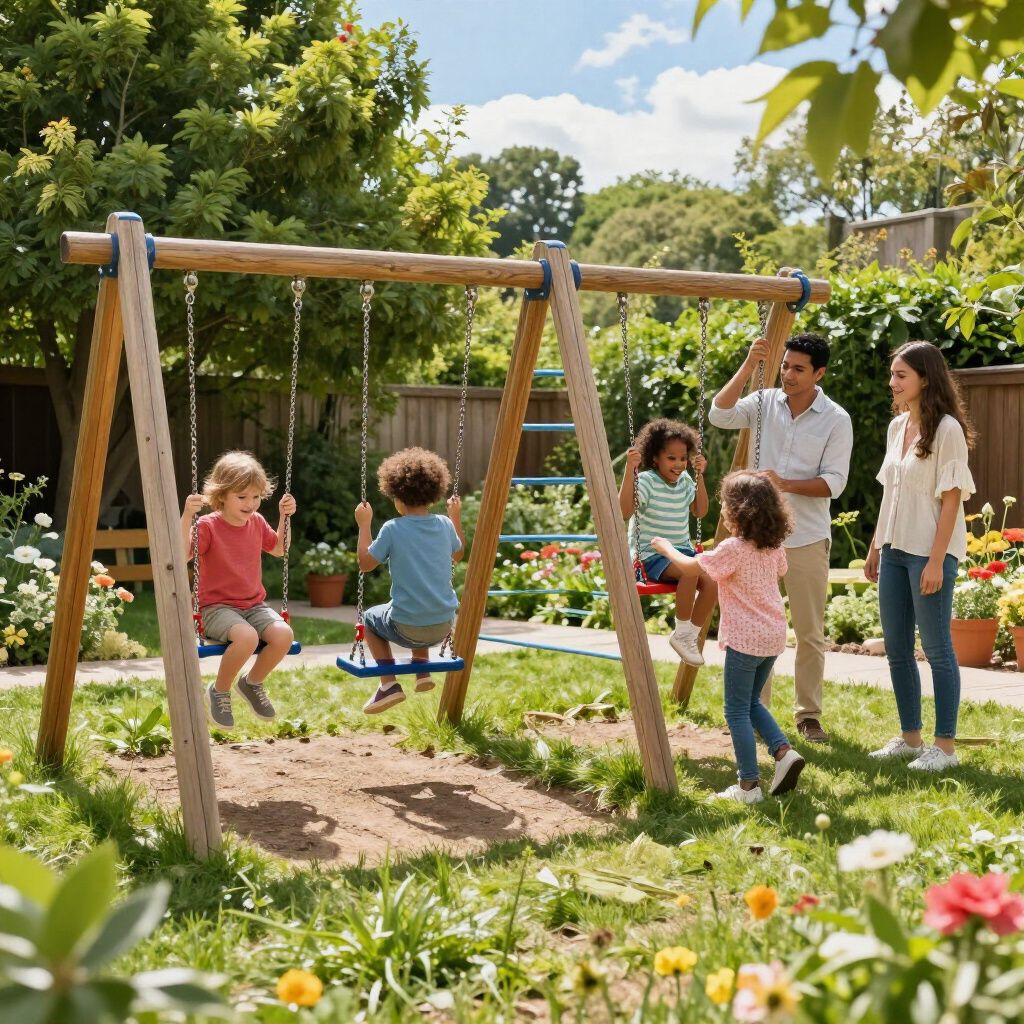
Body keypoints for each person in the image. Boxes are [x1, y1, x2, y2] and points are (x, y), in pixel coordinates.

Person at [709, 332, 853, 743]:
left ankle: (808, 715)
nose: (788, 374)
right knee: (755, 627)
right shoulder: (763, 401)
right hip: (761, 539)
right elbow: (719, 414)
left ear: (819, 373)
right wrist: (750, 366)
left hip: (806, 536)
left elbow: (834, 483)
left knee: (809, 632)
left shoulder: (836, 419)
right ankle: (758, 713)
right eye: (785, 365)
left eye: (798, 369)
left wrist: (782, 482)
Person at [651, 471, 805, 804]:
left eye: (724, 504)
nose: (721, 509)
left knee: (735, 710)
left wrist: (664, 547)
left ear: (739, 510)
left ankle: (748, 786)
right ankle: (783, 751)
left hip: (746, 640)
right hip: (773, 635)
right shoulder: (773, 545)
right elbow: (780, 571)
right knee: (750, 702)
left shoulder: (733, 548)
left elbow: (693, 568)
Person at [864, 340, 975, 772]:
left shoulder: (946, 430)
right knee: (896, 647)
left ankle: (944, 747)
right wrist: (876, 546)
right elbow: (889, 493)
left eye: (901, 375)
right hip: (893, 550)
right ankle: (911, 739)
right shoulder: (897, 428)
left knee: (938, 649)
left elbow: (951, 502)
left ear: (925, 379)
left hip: (929, 554)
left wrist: (935, 560)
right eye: (892, 374)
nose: (892, 382)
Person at [180, 450, 297, 730]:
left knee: (283, 635)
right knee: (246, 637)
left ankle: (252, 683)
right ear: (221, 495)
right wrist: (187, 515)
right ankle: (219, 690)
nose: (250, 504)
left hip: (252, 606)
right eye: (242, 497)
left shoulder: (256, 522)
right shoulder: (208, 526)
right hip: (215, 608)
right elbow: (182, 553)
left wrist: (284, 516)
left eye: (255, 497)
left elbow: (279, 548)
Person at [355, 446, 465, 715]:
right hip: (443, 626)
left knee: (370, 618)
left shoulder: (393, 528)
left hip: (407, 628)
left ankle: (388, 684)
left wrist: (364, 525)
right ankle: (422, 671)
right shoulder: (444, 524)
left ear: (398, 497)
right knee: (424, 599)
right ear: (432, 495)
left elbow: (365, 564)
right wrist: (455, 517)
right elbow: (458, 554)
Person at [617, 418, 717, 666]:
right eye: (671, 458)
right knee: (690, 569)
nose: (679, 464)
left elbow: (700, 511)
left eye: (683, 458)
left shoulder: (685, 481)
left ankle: (687, 636)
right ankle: (682, 632)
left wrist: (699, 476)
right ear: (655, 459)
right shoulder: (648, 481)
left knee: (714, 582)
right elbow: (623, 511)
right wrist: (630, 472)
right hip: (652, 556)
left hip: (681, 551)